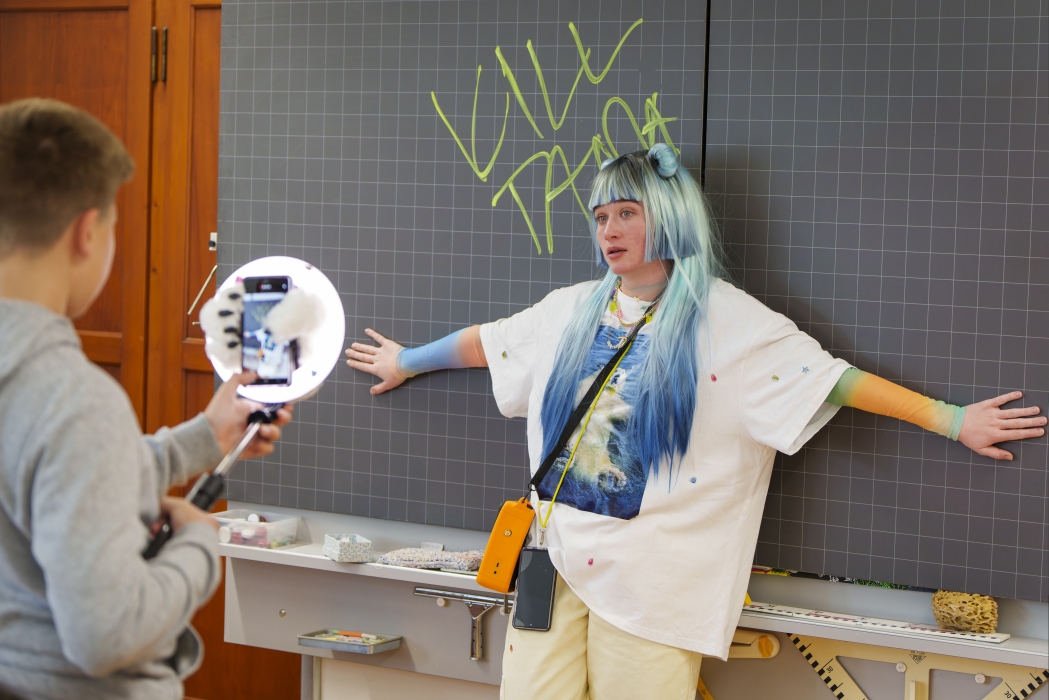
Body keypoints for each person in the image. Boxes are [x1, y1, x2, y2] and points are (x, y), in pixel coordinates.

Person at [346, 145, 1044, 699]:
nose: (609, 231)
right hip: (553, 561)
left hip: (656, 586)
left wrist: (952, 420)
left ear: (670, 218)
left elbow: (835, 380)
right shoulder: (570, 309)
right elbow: (487, 344)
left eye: (627, 213)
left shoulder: (729, 322)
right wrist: (406, 360)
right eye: (599, 216)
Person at [0, 98, 293, 700]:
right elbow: (106, 636)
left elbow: (54, 474)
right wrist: (199, 545)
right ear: (87, 231)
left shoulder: (47, 399)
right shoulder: (74, 401)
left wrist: (202, 439)